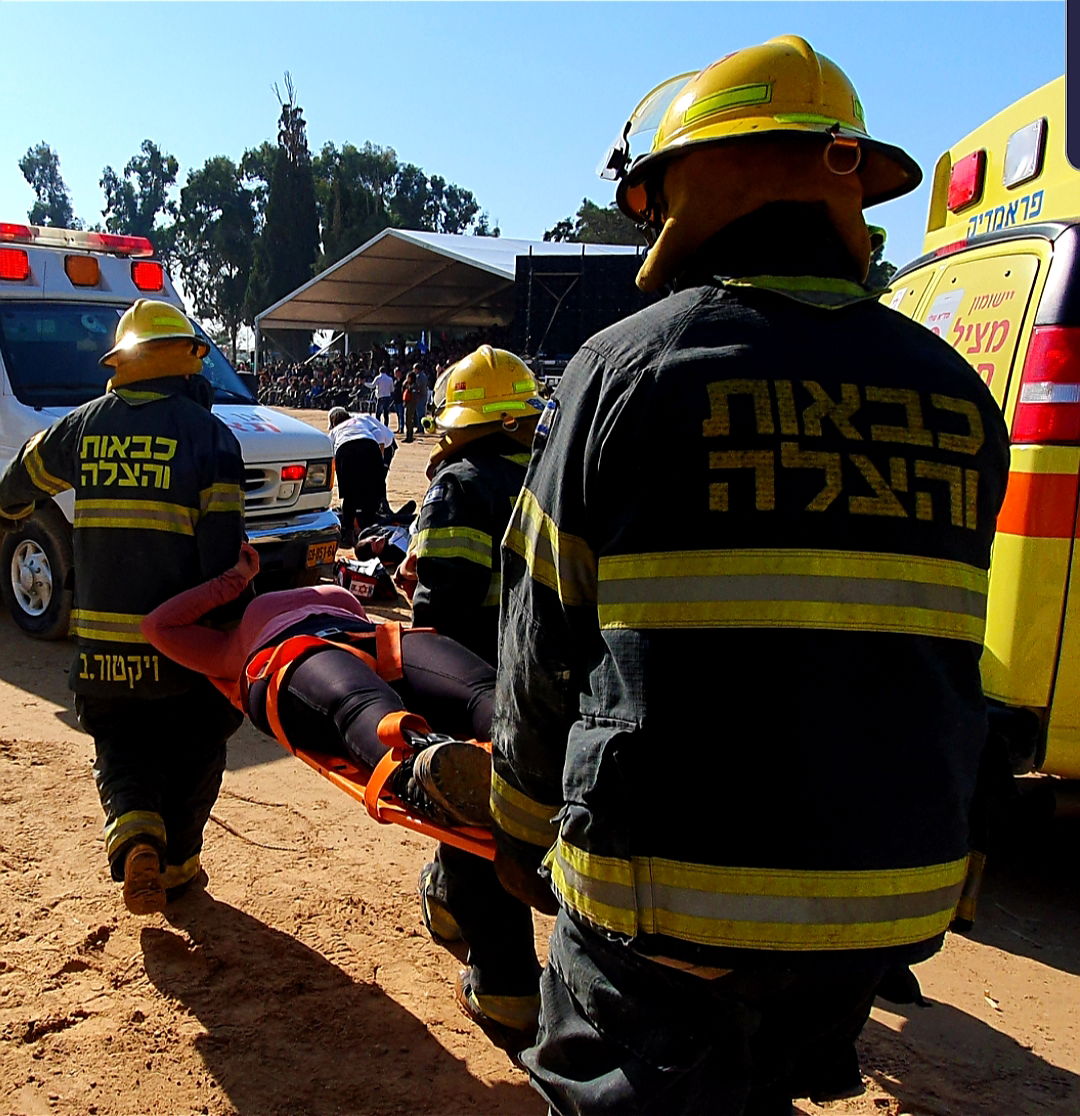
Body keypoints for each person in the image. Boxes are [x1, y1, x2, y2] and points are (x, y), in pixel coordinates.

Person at [490, 36, 1011, 1115]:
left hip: (666, 911)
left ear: (695, 184)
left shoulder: (627, 370)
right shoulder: (958, 398)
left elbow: (541, 642)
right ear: (847, 194)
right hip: (882, 906)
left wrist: (517, 822)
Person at [0, 299, 248, 916]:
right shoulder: (211, 437)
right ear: (190, 365)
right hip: (181, 648)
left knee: (119, 743)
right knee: (195, 750)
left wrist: (10, 518)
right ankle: (179, 865)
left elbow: (14, 490)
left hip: (102, 650)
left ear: (122, 366)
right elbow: (223, 558)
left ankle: (136, 836)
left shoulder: (83, 425)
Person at [141, 542, 494, 829]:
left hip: (369, 637)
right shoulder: (228, 646)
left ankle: (523, 751)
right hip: (288, 655)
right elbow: (159, 626)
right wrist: (233, 580)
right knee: (361, 700)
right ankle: (428, 773)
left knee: (483, 689)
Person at [406, 345, 545, 1044]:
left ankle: (508, 990)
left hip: (482, 691)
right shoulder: (559, 474)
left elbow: (438, 613)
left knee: (471, 827)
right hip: (566, 693)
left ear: (458, 421)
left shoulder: (459, 482)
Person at [327, 407, 395, 547]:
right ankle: (370, 528)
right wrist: (379, 462)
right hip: (369, 446)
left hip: (345, 450)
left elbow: (329, 453)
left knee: (349, 496)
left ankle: (349, 533)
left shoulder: (334, 431)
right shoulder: (360, 420)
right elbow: (380, 437)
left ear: (333, 422)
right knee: (374, 490)